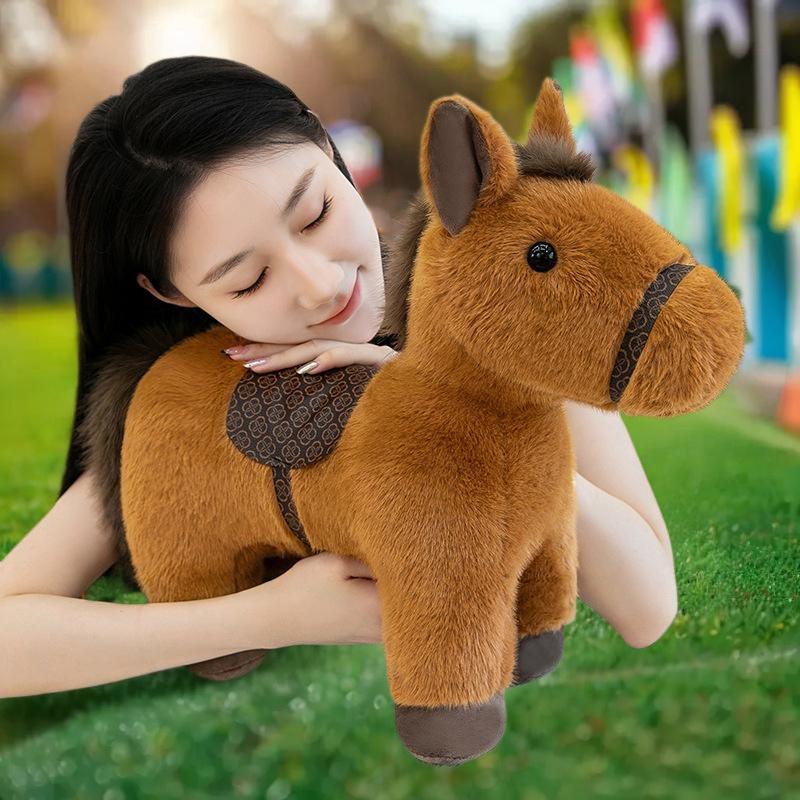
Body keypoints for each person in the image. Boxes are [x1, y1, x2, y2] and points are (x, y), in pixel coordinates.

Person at [0, 56, 677, 700]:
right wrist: (270, 618)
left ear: (328, 147)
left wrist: (464, 408)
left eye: (316, 214)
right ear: (172, 294)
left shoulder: (501, 297)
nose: (321, 285)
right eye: (248, 279)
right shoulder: (185, 408)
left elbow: (647, 606)